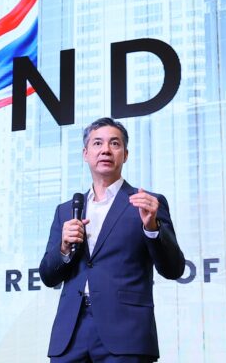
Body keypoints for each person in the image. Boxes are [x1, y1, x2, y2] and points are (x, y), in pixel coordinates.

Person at [39, 117, 185, 362]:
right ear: (85, 154)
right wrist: (63, 248)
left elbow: (174, 269)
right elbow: (47, 275)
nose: (105, 150)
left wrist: (152, 227)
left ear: (125, 155)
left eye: (114, 143)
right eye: (97, 143)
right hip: (70, 335)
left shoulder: (146, 203)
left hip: (126, 333)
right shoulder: (66, 210)